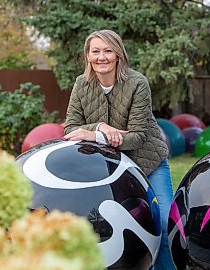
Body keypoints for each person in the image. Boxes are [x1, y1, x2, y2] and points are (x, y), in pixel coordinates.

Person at [63, 29, 174, 270]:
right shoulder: (82, 84)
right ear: (88, 56)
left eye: (107, 51)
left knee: (162, 225)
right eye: (96, 51)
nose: (101, 57)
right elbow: (71, 128)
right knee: (113, 225)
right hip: (110, 168)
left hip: (148, 162)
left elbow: (138, 137)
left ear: (118, 55)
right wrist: (101, 127)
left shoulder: (137, 83)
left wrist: (94, 135)